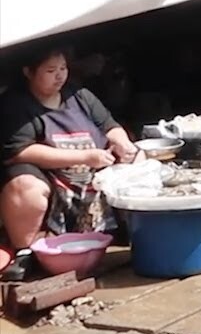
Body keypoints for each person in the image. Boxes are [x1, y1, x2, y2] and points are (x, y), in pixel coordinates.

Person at [1, 45, 140, 279]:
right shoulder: (16, 103)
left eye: (63, 69)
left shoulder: (79, 95)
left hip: (94, 173)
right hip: (53, 178)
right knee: (25, 186)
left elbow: (109, 126)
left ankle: (128, 231)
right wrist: (83, 157)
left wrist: (123, 143)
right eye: (50, 70)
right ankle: (27, 250)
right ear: (28, 72)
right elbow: (20, 151)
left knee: (140, 158)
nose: (59, 76)